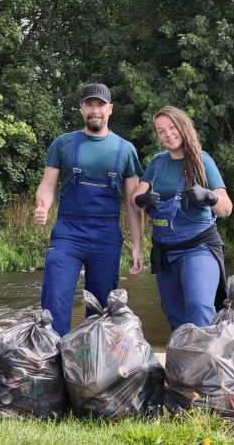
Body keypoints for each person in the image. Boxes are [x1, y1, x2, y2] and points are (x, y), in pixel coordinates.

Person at [34, 83, 144, 336]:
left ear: (110, 109)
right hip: (67, 233)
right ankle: (53, 354)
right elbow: (47, 186)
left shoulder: (125, 150)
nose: (95, 110)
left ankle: (91, 358)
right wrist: (42, 206)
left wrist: (138, 245)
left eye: (100, 105)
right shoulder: (63, 144)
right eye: (89, 105)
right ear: (81, 109)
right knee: (55, 295)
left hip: (106, 236)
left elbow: (131, 203)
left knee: (102, 306)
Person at [134, 106, 234, 330]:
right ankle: (184, 363)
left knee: (199, 307)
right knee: (175, 315)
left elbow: (226, 209)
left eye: (172, 127)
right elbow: (135, 197)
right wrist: (142, 199)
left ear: (183, 127)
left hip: (198, 247)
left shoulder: (202, 160)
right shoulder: (157, 164)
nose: (168, 134)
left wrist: (208, 197)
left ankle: (206, 362)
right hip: (165, 252)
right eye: (161, 131)